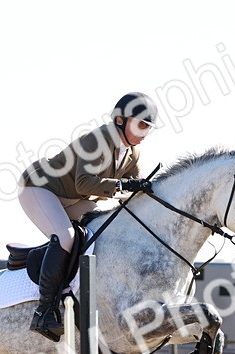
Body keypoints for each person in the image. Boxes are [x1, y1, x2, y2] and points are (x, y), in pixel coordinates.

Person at [18, 92, 158, 341]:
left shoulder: (132, 152)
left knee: (99, 232)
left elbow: (133, 187)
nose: (144, 132)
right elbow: (85, 184)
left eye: (148, 127)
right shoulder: (97, 141)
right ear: (120, 121)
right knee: (67, 237)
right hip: (40, 188)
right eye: (140, 125)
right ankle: (44, 311)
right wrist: (125, 187)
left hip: (72, 198)